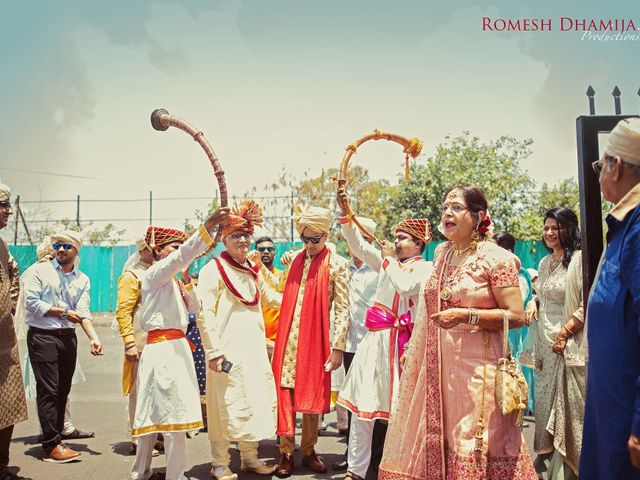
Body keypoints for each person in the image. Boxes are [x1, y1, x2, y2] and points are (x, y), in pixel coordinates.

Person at [379, 185, 536, 480]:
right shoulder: (441, 253)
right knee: (441, 445)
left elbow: (516, 315)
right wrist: (413, 350)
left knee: (473, 444)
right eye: (444, 207)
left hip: (479, 375)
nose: (447, 213)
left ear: (478, 216)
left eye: (456, 207)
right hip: (439, 376)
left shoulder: (496, 258)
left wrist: (467, 315)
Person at [335, 190, 433, 480]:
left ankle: (396, 470)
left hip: (401, 347)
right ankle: (355, 470)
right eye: (396, 237)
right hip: (374, 343)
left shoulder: (426, 269)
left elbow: (404, 287)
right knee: (362, 409)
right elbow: (358, 245)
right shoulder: (389, 263)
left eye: (402, 238)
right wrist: (345, 211)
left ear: (418, 243)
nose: (396, 242)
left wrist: (388, 260)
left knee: (398, 414)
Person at [130, 206, 230, 480]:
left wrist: (186, 282)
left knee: (171, 416)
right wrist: (209, 224)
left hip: (176, 351)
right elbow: (187, 253)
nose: (178, 253)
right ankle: (149, 473)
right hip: (162, 352)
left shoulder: (173, 281)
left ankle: (163, 472)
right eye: (173, 247)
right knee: (163, 418)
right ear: (159, 250)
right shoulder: (154, 274)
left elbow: (195, 309)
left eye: (179, 247)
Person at [197, 201, 280, 480]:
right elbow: (204, 312)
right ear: (224, 239)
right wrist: (214, 352)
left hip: (254, 351)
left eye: (246, 235)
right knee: (223, 406)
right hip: (225, 353)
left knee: (253, 400)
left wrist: (304, 301)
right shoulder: (214, 269)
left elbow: (272, 298)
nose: (243, 240)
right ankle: (220, 463)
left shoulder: (251, 269)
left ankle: (249, 458)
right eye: (236, 236)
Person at [266, 204, 350, 478]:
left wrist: (338, 346)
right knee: (286, 395)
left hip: (316, 343)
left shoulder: (338, 265)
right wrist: (259, 268)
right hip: (287, 340)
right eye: (305, 239)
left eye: (316, 239)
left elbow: (343, 309)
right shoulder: (294, 261)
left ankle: (310, 450)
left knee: (311, 395)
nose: (311, 245)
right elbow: (278, 289)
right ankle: (286, 453)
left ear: (326, 235)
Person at [580, 117, 640, 478]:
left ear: (615, 166)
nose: (600, 173)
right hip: (613, 406)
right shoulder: (625, 225)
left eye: (601, 164)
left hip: (627, 419)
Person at [23, 230, 103, 463]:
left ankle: (56, 437)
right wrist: (62, 312)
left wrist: (94, 338)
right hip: (43, 336)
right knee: (49, 390)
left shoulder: (82, 279)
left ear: (76, 250)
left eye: (66, 246)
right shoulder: (39, 271)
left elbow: (84, 312)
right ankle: (50, 445)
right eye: (57, 245)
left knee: (63, 390)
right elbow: (31, 302)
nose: (60, 250)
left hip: (68, 337)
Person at [519, 209, 584, 479]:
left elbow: (585, 303)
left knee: (567, 407)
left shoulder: (579, 260)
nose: (549, 233)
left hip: (568, 344)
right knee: (546, 405)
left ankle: (567, 470)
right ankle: (549, 462)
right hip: (544, 347)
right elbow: (543, 295)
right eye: (546, 228)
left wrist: (564, 333)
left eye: (555, 227)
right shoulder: (545, 263)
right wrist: (533, 304)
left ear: (568, 228)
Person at [331, 216, 379, 472]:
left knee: (376, 402)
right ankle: (352, 455)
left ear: (370, 240)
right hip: (350, 345)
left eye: (364, 238)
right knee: (352, 402)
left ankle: (378, 457)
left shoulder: (382, 267)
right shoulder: (341, 268)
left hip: (376, 345)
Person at [115, 236, 162, 455]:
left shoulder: (162, 271)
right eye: (149, 248)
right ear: (141, 251)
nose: (153, 252)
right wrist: (129, 342)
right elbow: (123, 311)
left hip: (162, 341)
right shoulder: (132, 275)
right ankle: (138, 437)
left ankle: (153, 435)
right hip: (140, 341)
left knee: (157, 390)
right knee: (139, 390)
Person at [0, 181, 29, 480]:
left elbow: (13, 272)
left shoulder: (2, 244)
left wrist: (9, 305)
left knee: (6, 408)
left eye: (8, 205)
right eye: (3, 205)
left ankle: (2, 468)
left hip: (4, 339)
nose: (8, 211)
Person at [492, 231, 536, 414]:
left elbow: (517, 302)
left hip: (513, 332)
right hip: (503, 330)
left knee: (512, 374)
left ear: (507, 250)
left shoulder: (519, 274)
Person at [255, 236, 284, 360]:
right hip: (256, 340)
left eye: (269, 249)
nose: (266, 252)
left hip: (279, 342)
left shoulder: (282, 278)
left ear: (274, 252)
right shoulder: (251, 276)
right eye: (261, 249)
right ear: (256, 252)